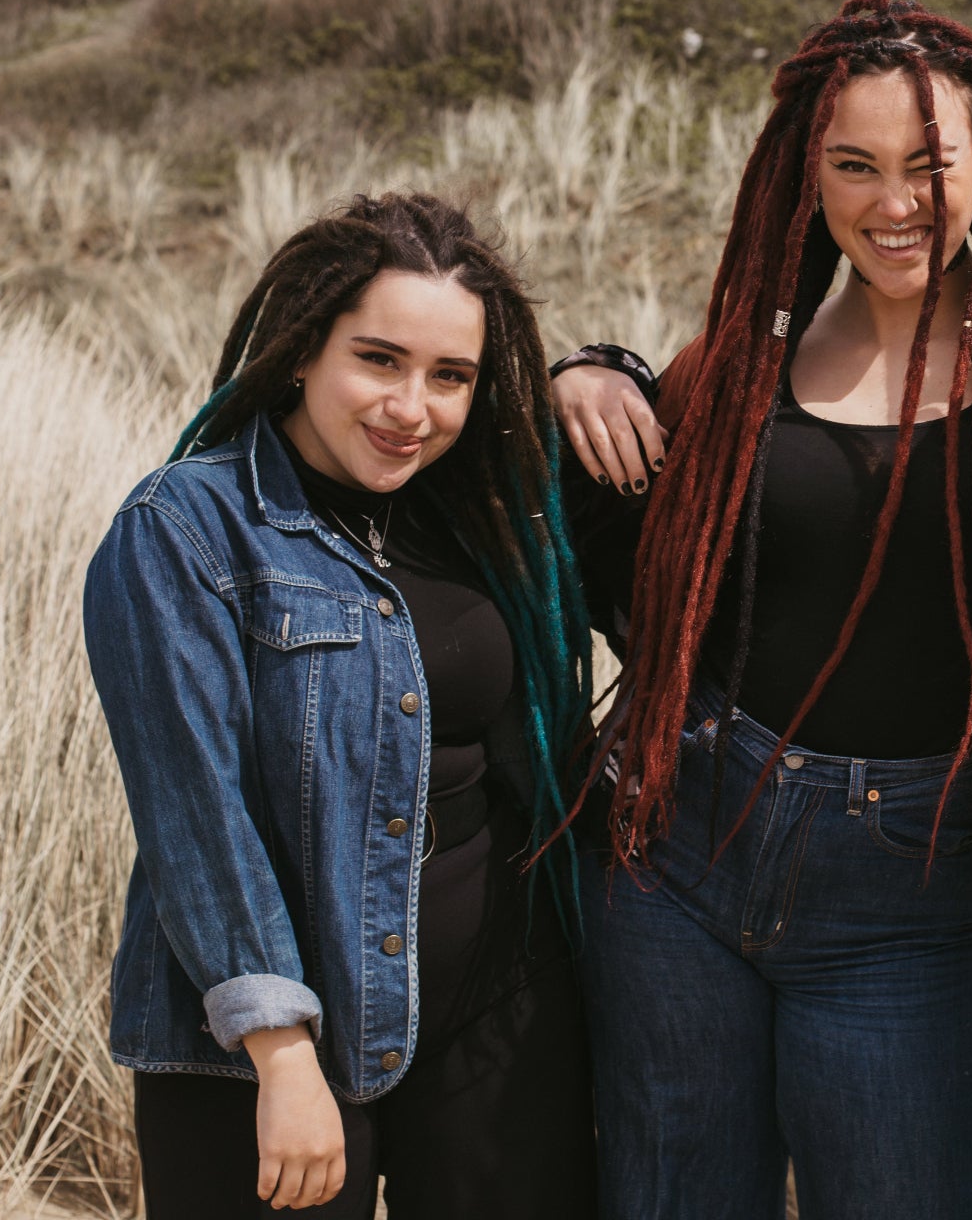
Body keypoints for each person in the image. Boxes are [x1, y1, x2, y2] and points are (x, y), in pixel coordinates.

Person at [550, 0, 972, 1220]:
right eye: (855, 167)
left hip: (898, 903)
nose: (893, 203)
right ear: (803, 178)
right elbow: (625, 564)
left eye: (931, 165)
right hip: (672, 860)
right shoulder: (741, 358)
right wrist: (588, 373)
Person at [83, 193, 597, 1217]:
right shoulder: (186, 530)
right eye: (379, 360)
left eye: (449, 376)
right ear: (302, 349)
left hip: (492, 1016)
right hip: (265, 1046)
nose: (413, 406)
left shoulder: (480, 514)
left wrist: (606, 369)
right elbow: (199, 815)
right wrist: (281, 1054)